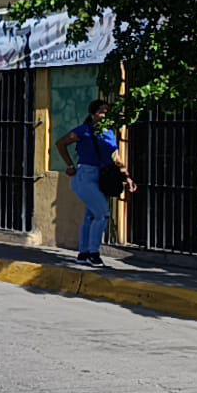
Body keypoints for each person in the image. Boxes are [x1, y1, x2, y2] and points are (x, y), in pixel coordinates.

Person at [55, 99, 136, 268]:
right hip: (86, 175)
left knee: (91, 215)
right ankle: (94, 252)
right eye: (101, 111)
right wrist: (70, 165)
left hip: (103, 175)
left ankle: (83, 253)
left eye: (107, 111)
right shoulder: (83, 131)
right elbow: (61, 143)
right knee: (103, 213)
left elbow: (116, 158)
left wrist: (126, 177)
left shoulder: (110, 133)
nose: (105, 114)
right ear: (93, 114)